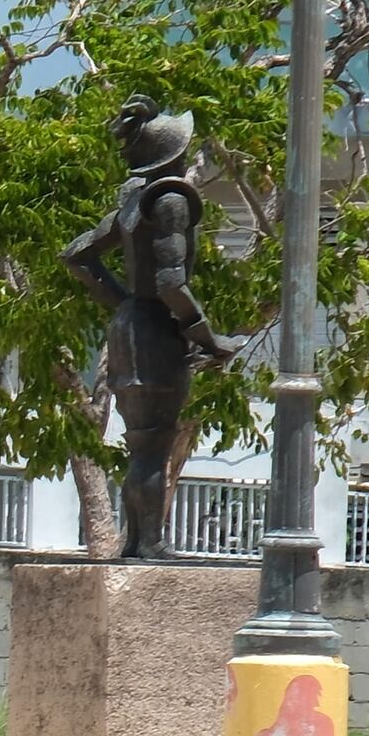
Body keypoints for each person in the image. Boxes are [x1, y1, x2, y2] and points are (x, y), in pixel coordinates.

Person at [65, 97, 236, 558]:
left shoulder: (133, 202)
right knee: (153, 444)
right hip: (155, 332)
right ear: (175, 154)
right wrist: (206, 337)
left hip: (130, 328)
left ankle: (137, 541)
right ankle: (151, 543)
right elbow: (171, 282)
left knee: (141, 443)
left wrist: (125, 307)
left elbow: (79, 257)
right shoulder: (171, 201)